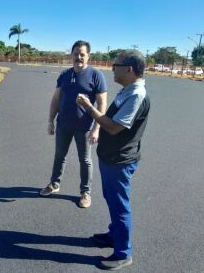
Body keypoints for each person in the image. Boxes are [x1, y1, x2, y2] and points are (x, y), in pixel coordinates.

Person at [76, 49, 150, 270]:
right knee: (112, 200)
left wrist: (89, 108)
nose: (112, 68)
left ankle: (123, 252)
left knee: (120, 206)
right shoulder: (127, 90)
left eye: (116, 65)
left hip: (120, 161)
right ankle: (114, 235)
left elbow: (114, 127)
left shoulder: (136, 95)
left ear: (129, 69)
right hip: (111, 158)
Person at [39, 40, 107, 208]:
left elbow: (102, 104)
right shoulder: (64, 75)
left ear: (88, 56)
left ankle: (85, 192)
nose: (79, 57)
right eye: (76, 54)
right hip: (63, 125)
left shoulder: (96, 75)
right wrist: (50, 121)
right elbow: (56, 99)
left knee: (85, 160)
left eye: (82, 54)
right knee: (59, 156)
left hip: (84, 127)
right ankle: (54, 184)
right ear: (71, 55)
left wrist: (97, 129)